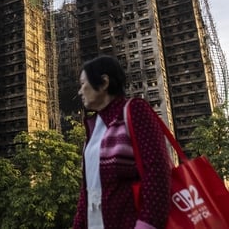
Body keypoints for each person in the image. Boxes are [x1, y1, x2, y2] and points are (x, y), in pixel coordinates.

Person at [72, 55, 171, 229]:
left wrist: (146, 225)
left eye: (82, 84)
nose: (80, 91)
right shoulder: (93, 127)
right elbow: (88, 190)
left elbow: (158, 173)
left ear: (103, 83)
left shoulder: (134, 111)